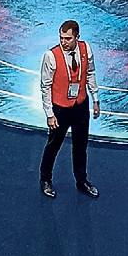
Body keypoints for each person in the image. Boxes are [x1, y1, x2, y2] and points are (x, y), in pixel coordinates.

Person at [39, 20, 100, 199]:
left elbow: (90, 73)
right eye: (61, 38)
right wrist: (50, 114)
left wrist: (95, 99)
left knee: (81, 146)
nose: (63, 42)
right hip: (60, 110)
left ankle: (81, 180)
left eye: (68, 39)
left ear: (77, 37)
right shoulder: (51, 56)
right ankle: (45, 179)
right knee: (53, 146)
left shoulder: (86, 49)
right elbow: (45, 86)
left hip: (81, 106)